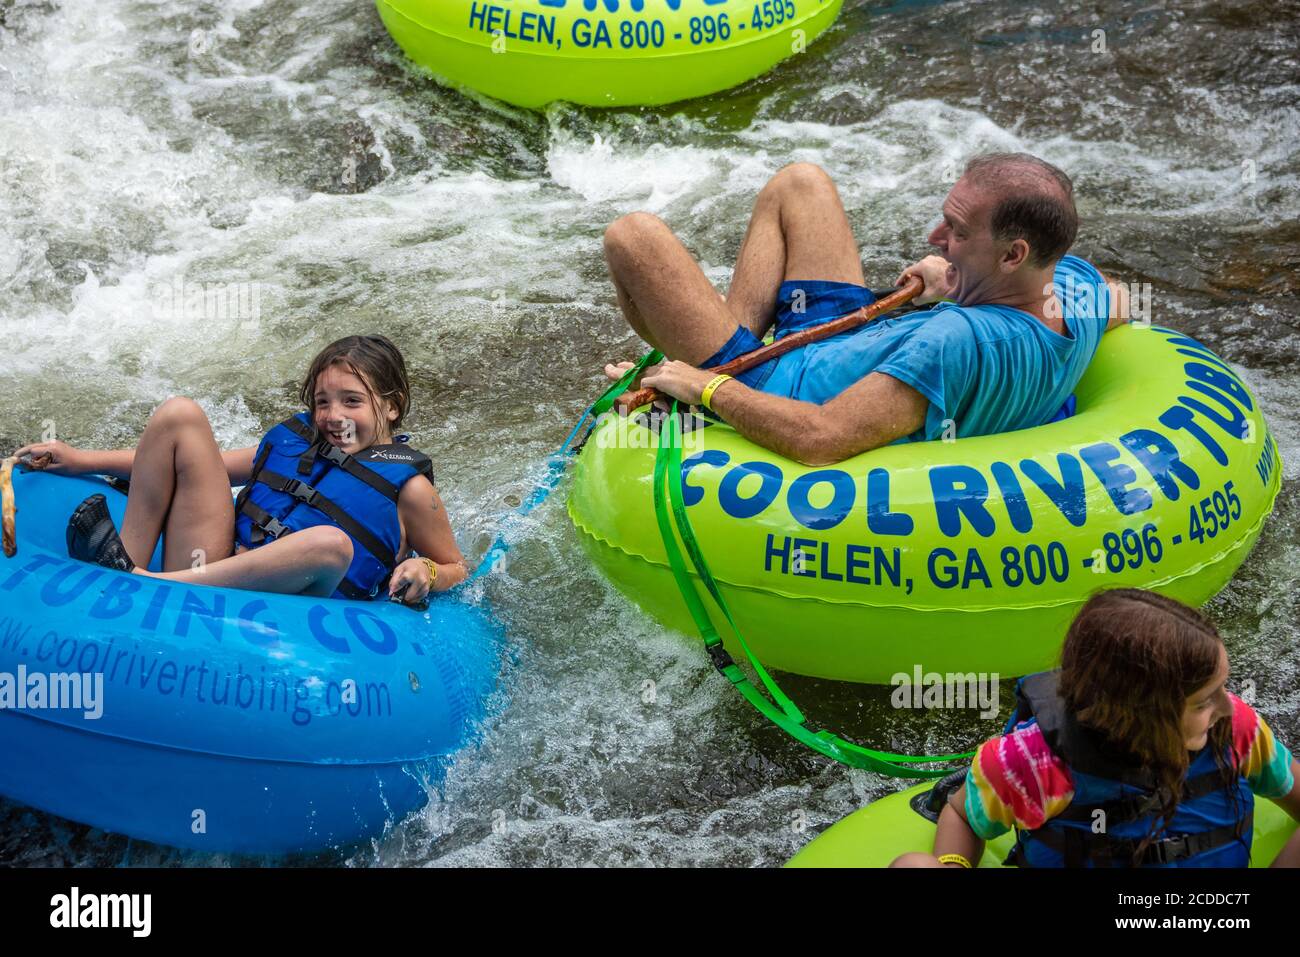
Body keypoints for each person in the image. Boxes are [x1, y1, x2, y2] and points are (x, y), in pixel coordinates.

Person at [602, 153, 1133, 465]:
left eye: (958, 231)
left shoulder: (955, 341)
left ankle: (710, 368)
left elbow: (821, 439)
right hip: (842, 343)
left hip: (778, 385)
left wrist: (707, 387)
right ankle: (722, 342)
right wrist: (957, 279)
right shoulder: (1077, 289)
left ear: (1013, 254)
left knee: (632, 238)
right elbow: (1123, 303)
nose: (935, 237)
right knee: (800, 182)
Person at [16, 334, 466, 603]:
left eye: (352, 401)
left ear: (391, 407)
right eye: (322, 401)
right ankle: (125, 569)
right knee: (180, 416)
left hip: (292, 607)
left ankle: (148, 583)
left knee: (331, 543)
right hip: (210, 567)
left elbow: (455, 566)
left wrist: (426, 573)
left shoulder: (410, 490)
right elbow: (191, 463)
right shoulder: (301, 440)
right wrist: (80, 460)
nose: (333, 416)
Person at [891, 589, 1300, 868]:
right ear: (1139, 712)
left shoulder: (1237, 731)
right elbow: (961, 814)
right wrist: (952, 863)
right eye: (1203, 701)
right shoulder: (1032, 764)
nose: (1228, 706)